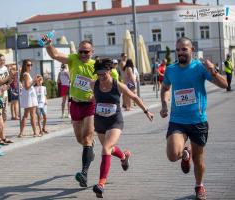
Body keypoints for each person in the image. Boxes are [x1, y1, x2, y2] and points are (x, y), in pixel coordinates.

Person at [160, 37, 227, 200]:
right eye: (178, 50)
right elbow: (165, 88)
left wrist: (213, 71)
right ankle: (184, 153)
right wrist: (164, 104)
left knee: (198, 159)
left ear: (192, 50)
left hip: (198, 121)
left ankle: (199, 186)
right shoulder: (171, 69)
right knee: (172, 155)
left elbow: (224, 85)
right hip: (177, 120)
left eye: (184, 49)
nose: (181, 52)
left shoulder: (200, 67)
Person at [90, 58, 154, 198]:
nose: (100, 76)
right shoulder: (93, 84)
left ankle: (101, 184)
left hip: (115, 121)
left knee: (105, 148)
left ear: (109, 71)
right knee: (110, 149)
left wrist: (146, 111)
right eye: (98, 74)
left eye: (103, 73)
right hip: (100, 121)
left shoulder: (118, 85)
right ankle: (123, 157)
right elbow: (93, 99)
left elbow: (134, 97)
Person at [45, 37, 96, 187]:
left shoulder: (96, 65)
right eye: (81, 51)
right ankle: (90, 149)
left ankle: (84, 174)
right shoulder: (73, 59)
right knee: (80, 140)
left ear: (92, 52)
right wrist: (49, 44)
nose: (83, 54)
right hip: (75, 104)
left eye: (86, 52)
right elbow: (55, 55)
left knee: (86, 138)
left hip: (90, 105)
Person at [0, 54, 14, 144]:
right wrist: (9, 76)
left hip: (4, 95)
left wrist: (12, 76)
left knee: (4, 117)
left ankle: (2, 136)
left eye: (4, 60)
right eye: (1, 60)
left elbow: (8, 81)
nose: (3, 61)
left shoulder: (5, 68)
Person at [17, 59, 40, 137]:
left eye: (31, 65)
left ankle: (21, 132)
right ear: (24, 66)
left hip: (27, 95)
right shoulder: (26, 74)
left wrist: (34, 81)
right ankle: (35, 132)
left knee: (26, 115)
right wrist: (34, 80)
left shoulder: (24, 74)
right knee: (32, 115)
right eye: (28, 65)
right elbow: (27, 87)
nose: (30, 66)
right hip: (29, 96)